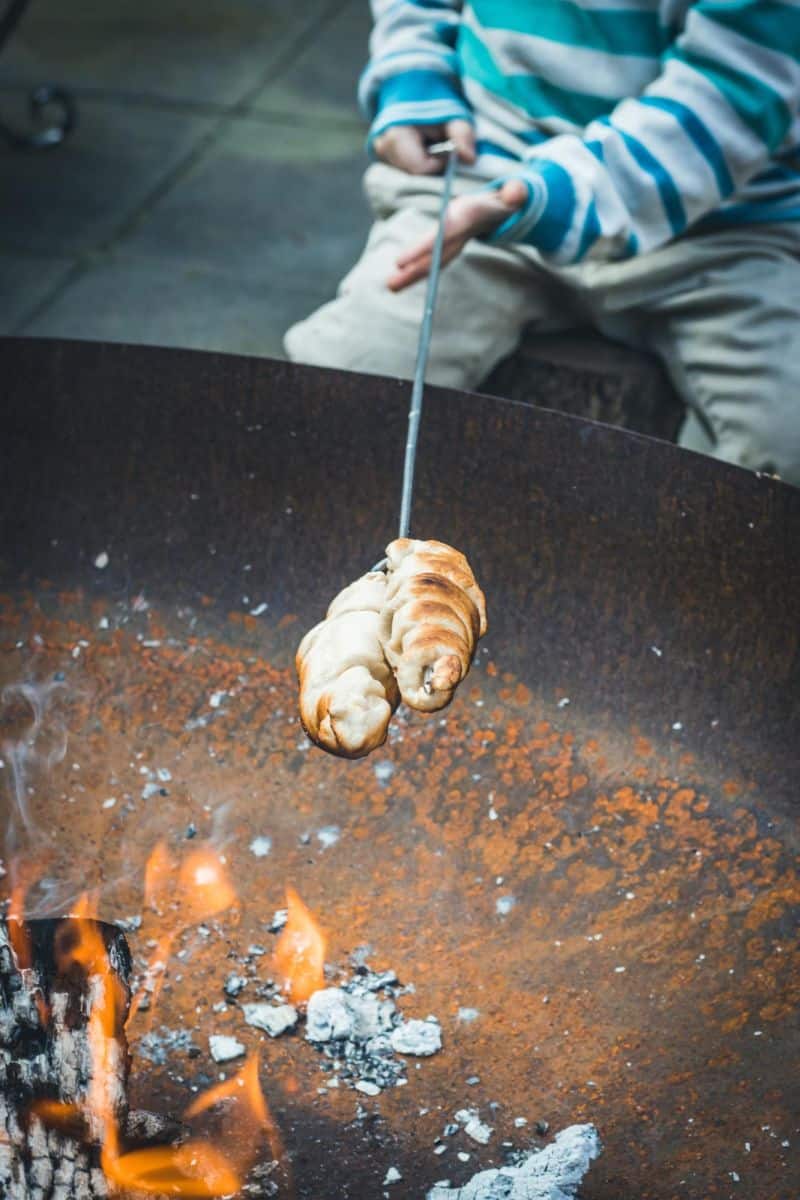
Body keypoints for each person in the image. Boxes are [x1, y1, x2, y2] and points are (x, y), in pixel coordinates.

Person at [284, 1, 800, 485]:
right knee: (341, 383)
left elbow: (736, 90)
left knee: (784, 440)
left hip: (722, 223)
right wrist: (413, 69)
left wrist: (547, 198)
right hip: (479, 194)